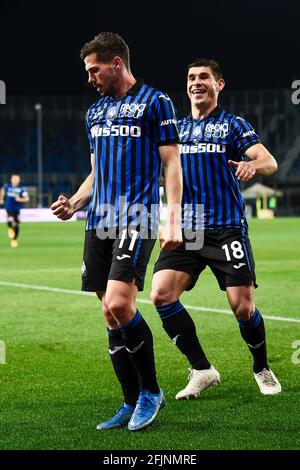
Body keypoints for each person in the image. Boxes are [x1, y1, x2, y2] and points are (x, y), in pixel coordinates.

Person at [50, 32, 182, 431]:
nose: (90, 78)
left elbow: (171, 164)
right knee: (109, 314)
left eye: (94, 70)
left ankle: (151, 391)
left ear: (116, 63)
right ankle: (128, 401)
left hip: (136, 215)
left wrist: (173, 217)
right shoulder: (94, 113)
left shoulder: (156, 102)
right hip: (99, 220)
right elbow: (97, 172)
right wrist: (74, 202)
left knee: (122, 303)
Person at [151, 58, 281, 399]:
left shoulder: (233, 125)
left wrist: (252, 165)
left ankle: (261, 367)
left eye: (204, 77)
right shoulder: (175, 129)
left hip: (226, 229)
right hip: (187, 229)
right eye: (191, 77)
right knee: (161, 295)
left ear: (218, 84)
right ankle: (202, 369)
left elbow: (269, 161)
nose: (196, 82)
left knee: (243, 307)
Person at [0, 174, 30, 248]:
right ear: (11, 179)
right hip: (9, 207)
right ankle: (10, 227)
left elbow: (27, 199)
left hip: (17, 209)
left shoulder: (22, 188)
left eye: (17, 179)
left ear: (19, 180)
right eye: (14, 179)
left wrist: (20, 199)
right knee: (10, 220)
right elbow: (2, 190)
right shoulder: (7, 186)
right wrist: (1, 199)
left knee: (16, 225)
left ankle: (14, 239)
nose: (15, 180)